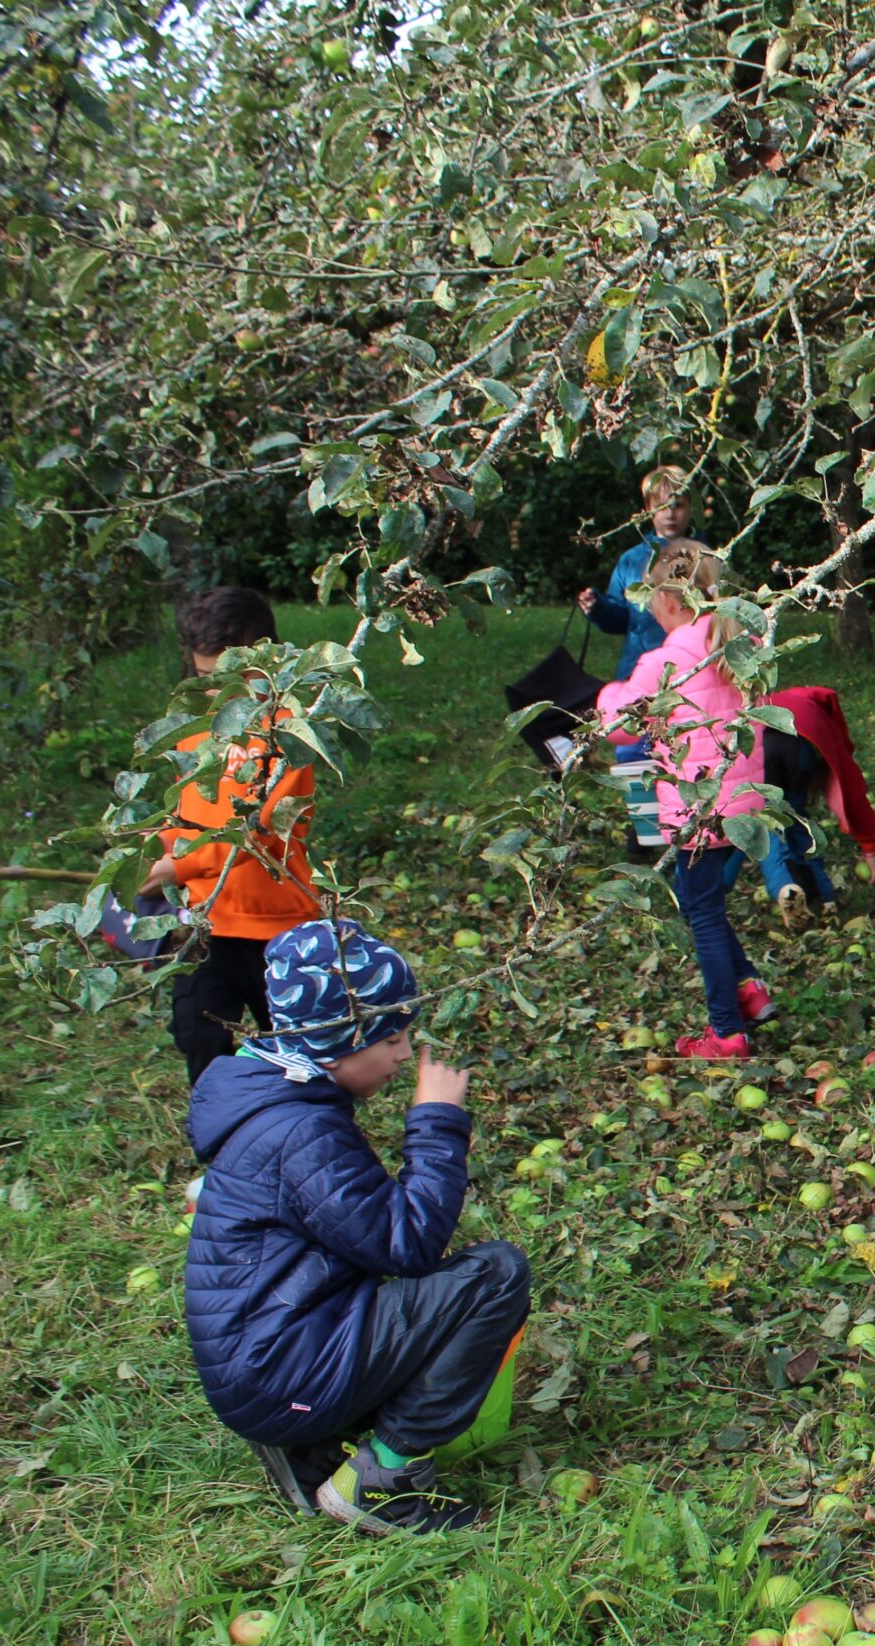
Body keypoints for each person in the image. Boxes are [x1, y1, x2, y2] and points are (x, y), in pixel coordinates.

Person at [184, 919, 529, 1533]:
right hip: (276, 1371)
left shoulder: (274, 1098)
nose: (403, 1052)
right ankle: (382, 1482)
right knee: (495, 1276)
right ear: (341, 1038)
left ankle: (310, 1446)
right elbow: (411, 1243)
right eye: (390, 1037)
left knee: (399, 1294)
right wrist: (436, 1123)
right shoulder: (299, 1133)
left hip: (263, 1363)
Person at [596, 537, 776, 1059]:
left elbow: (618, 727)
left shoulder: (667, 660)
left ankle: (726, 1033)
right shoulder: (744, 645)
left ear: (670, 601)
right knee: (706, 904)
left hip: (699, 810)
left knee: (701, 914)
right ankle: (749, 992)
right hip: (745, 803)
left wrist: (608, 694)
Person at [149, 587, 323, 1083]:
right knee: (198, 1035)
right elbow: (185, 815)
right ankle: (223, 1139)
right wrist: (152, 852)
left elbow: (261, 833)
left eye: (233, 679)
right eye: (205, 678)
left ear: (266, 660)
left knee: (295, 1052)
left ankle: (302, 1136)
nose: (218, 693)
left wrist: (178, 864)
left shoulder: (286, 734)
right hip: (206, 922)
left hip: (278, 927)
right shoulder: (195, 729)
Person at [579, 465, 694, 763]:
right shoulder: (631, 561)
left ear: (691, 508)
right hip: (640, 674)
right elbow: (621, 618)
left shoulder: (705, 556)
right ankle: (643, 809)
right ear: (647, 510)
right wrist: (599, 608)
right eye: (662, 507)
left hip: (691, 675)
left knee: (687, 751)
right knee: (635, 753)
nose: (670, 514)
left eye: (678, 506)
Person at [754, 685, 875, 920]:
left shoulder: (765, 701)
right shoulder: (820, 723)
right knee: (795, 816)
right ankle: (825, 898)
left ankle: (786, 886)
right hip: (798, 749)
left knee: (768, 820)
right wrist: (870, 849)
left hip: (762, 742)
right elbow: (852, 791)